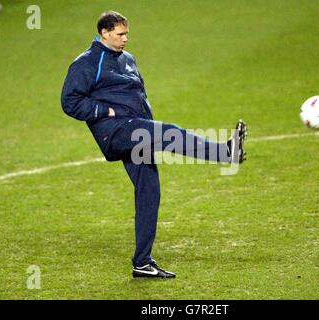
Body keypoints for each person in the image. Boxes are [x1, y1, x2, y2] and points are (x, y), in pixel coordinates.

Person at [61, 11, 247, 278]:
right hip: (115, 132)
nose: (125, 39)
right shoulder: (88, 63)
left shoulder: (128, 59)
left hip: (136, 127)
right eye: (120, 34)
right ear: (104, 33)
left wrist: (148, 123)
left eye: (127, 34)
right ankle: (227, 152)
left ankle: (142, 263)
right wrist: (105, 111)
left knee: (149, 192)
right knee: (170, 132)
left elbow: (139, 95)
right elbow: (69, 101)